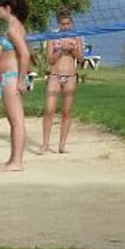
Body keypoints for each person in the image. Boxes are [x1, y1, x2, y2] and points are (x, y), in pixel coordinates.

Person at [0, 0, 32, 171]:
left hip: (12, 78)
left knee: (17, 121)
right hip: (8, 78)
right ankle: (13, 160)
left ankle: (17, 162)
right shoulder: (13, 26)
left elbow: (25, 54)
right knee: (13, 121)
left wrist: (20, 81)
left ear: (7, 8)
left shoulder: (13, 29)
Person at [40, 8, 84, 154]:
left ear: (71, 23)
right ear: (59, 24)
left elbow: (81, 59)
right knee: (49, 110)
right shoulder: (53, 37)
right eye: (63, 24)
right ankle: (45, 144)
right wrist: (61, 50)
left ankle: (62, 145)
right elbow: (50, 60)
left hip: (70, 76)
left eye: (68, 23)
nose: (65, 26)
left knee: (66, 112)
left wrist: (72, 50)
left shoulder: (77, 37)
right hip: (55, 75)